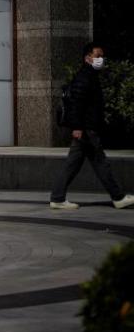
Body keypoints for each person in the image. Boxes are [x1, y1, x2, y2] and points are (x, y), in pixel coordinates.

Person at [50, 42, 134, 210]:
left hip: (87, 128)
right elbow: (77, 104)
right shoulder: (85, 77)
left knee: (76, 164)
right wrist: (77, 128)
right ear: (87, 58)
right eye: (97, 56)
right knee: (100, 163)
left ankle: (58, 198)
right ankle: (118, 197)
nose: (101, 59)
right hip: (87, 129)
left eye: (102, 56)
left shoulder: (90, 76)